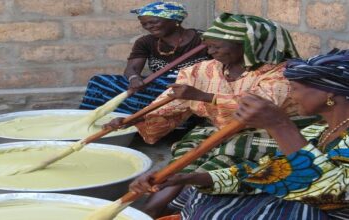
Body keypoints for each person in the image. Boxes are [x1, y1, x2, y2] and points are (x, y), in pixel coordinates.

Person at [107, 13, 315, 217]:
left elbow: (260, 107)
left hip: (269, 134)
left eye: (217, 46)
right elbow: (171, 102)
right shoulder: (202, 70)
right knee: (185, 159)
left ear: (247, 46)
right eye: (208, 44)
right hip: (218, 130)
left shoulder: (280, 73)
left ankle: (156, 209)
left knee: (214, 162)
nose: (210, 50)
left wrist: (204, 96)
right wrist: (133, 120)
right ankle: (155, 207)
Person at [130, 49, 349, 219]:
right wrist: (189, 177)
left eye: (297, 89)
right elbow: (271, 170)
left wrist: (280, 125)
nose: (291, 95)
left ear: (330, 92)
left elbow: (331, 197)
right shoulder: (321, 131)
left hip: (327, 210)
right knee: (200, 193)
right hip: (305, 195)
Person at [79, 1, 209, 114]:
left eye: (153, 22)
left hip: (191, 89)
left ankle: (143, 118)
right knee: (99, 82)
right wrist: (134, 78)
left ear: (175, 20)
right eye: (144, 24)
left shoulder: (204, 40)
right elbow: (132, 69)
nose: (148, 27)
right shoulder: (146, 42)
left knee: (155, 93)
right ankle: (87, 121)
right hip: (158, 87)